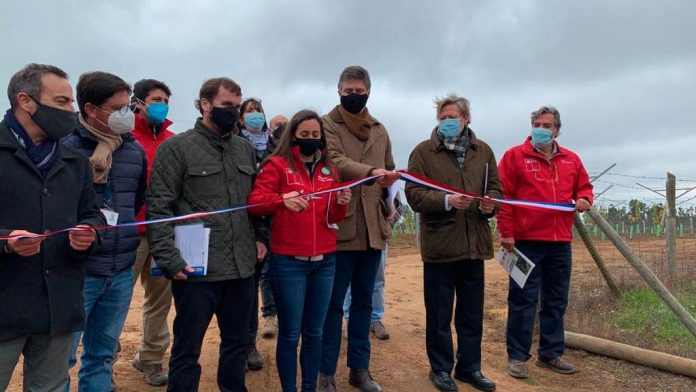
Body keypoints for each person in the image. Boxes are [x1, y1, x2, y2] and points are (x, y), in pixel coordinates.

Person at [147, 77, 268, 392]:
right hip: (195, 271)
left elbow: (256, 202)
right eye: (226, 105)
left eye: (236, 107)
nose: (233, 112)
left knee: (237, 345)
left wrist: (261, 238)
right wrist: (168, 258)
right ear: (204, 104)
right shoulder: (176, 148)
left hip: (241, 267)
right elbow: (159, 207)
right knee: (187, 349)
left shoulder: (243, 149)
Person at [0, 63, 103, 392]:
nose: (71, 111)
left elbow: (93, 215)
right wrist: (5, 240)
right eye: (61, 102)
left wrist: (88, 234)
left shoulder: (75, 163)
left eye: (71, 102)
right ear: (26, 101)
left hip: (58, 306)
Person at [248, 109, 351, 392]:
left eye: (315, 135)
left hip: (325, 261)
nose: (310, 139)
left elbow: (335, 217)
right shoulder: (277, 165)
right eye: (304, 135)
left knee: (315, 332)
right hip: (288, 262)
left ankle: (309, 387)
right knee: (291, 334)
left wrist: (342, 201)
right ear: (293, 134)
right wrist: (282, 200)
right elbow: (256, 202)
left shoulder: (330, 168)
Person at [405, 94, 501, 392]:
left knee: (471, 314)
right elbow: (413, 194)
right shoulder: (423, 153)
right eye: (442, 117)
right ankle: (441, 369)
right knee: (439, 315)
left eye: (453, 116)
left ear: (466, 119)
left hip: (474, 245)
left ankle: (469, 368)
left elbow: (495, 188)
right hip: (441, 247)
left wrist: (491, 205)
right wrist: (446, 200)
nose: (447, 121)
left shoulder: (482, 151)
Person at [63, 71, 147, 392]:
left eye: (129, 106)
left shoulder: (132, 151)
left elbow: (135, 200)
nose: (128, 115)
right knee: (63, 358)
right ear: (91, 109)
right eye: (119, 108)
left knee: (101, 356)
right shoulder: (65, 149)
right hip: (77, 271)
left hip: (120, 271)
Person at [319, 66, 400, 392]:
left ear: (368, 90)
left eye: (359, 90)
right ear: (338, 90)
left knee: (364, 304)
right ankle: (325, 372)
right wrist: (372, 171)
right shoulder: (327, 124)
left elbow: (390, 168)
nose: (354, 95)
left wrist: (390, 196)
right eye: (348, 90)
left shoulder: (380, 129)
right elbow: (334, 161)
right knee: (332, 305)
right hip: (341, 227)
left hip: (372, 229)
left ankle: (359, 370)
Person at [497, 106, 593, 379]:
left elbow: (584, 187)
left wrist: (585, 198)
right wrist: (507, 231)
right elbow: (504, 196)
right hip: (525, 243)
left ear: (557, 130)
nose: (541, 128)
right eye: (537, 123)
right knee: (522, 301)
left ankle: (551, 354)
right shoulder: (515, 156)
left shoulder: (571, 160)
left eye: (547, 125)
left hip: (560, 242)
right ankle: (517, 356)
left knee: (556, 300)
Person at [129, 78, 176, 386]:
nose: (161, 105)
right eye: (156, 99)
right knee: (117, 301)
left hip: (164, 233)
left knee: (160, 300)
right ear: (138, 102)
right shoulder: (123, 137)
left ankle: (150, 359)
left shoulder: (174, 141)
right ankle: (102, 360)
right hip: (128, 233)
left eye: (165, 100)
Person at [238, 98, 278, 370]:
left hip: (275, 224)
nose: (255, 116)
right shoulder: (235, 146)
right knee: (245, 291)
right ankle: (243, 344)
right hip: (243, 225)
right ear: (240, 119)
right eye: (249, 112)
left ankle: (256, 336)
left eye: (258, 111)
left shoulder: (276, 147)